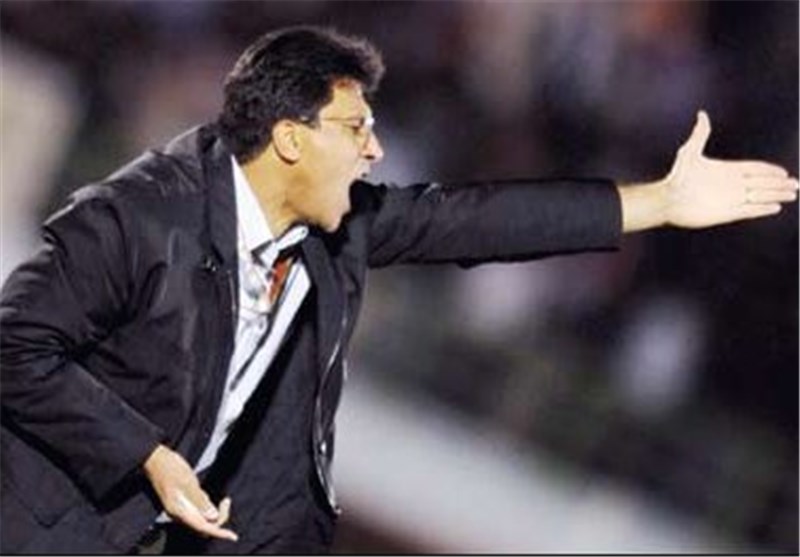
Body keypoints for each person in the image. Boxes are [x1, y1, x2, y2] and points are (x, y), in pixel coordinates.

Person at [0, 25, 796, 555]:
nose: (375, 150)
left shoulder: (340, 229)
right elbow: (16, 344)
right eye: (355, 129)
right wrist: (147, 454)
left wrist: (657, 202)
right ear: (290, 139)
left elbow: (473, 221)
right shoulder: (140, 217)